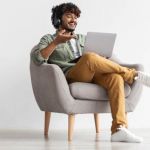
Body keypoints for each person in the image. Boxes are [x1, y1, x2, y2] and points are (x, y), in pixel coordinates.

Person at [32, 2, 150, 143]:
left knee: (116, 78)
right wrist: (56, 42)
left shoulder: (83, 38)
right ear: (58, 19)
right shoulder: (49, 39)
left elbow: (96, 58)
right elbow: (38, 59)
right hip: (72, 75)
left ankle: (118, 129)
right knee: (89, 57)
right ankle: (133, 75)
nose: (73, 20)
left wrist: (102, 58)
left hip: (92, 72)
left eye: (76, 17)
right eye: (69, 16)